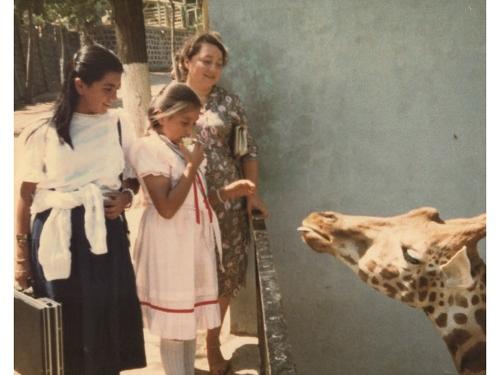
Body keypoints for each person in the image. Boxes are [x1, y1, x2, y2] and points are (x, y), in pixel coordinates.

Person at [14, 43, 146, 375]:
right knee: (64, 332)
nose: (113, 96)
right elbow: (26, 196)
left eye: (117, 89)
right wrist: (20, 259)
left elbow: (133, 176)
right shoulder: (44, 131)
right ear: (79, 85)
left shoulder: (118, 124)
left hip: (106, 238)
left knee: (106, 330)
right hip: (60, 239)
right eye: (107, 88)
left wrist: (127, 197)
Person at [129, 82, 255, 375]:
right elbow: (168, 207)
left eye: (193, 123)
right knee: (173, 327)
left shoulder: (177, 148)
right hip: (168, 244)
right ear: (162, 115)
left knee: (185, 324)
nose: (189, 129)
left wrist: (226, 193)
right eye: (185, 122)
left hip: (188, 243)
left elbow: (193, 202)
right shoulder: (149, 148)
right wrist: (191, 167)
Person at [173, 32, 269, 374]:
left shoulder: (228, 103)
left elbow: (247, 151)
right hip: (182, 205)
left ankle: (212, 347)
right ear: (187, 60)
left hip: (226, 208)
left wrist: (251, 192)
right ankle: (181, 354)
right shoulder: (168, 100)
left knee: (225, 276)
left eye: (219, 64)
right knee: (184, 277)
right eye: (206, 61)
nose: (213, 69)